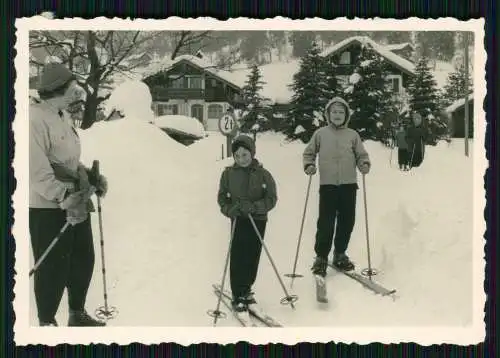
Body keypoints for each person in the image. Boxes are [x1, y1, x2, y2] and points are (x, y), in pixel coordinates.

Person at [29, 63, 108, 327]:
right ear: (59, 90)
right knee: (52, 267)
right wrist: (63, 196)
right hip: (48, 207)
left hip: (76, 200)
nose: (76, 93)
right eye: (72, 88)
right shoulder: (34, 119)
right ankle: (46, 323)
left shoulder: (62, 115)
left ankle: (77, 313)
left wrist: (89, 176)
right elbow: (35, 170)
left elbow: (67, 160)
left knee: (83, 259)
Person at [303, 96, 371, 277]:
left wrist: (363, 164)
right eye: (334, 112)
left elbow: (361, 155)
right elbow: (309, 153)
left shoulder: (352, 135)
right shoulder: (320, 134)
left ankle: (340, 253)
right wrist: (309, 165)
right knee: (326, 222)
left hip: (349, 185)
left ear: (346, 115)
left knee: (347, 221)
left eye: (341, 112)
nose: (338, 115)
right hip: (328, 185)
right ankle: (321, 257)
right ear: (328, 114)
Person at [217, 134, 277, 312]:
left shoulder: (263, 174)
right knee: (238, 255)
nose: (241, 159)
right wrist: (230, 210)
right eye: (238, 155)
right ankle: (238, 293)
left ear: (252, 153)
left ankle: (247, 289)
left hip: (257, 219)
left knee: (252, 255)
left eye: (245, 155)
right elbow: (222, 198)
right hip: (238, 220)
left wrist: (255, 207)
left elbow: (271, 198)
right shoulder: (228, 174)